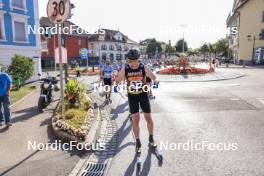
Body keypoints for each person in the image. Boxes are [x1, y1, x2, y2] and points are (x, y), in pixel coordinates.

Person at [115, 48, 159, 154]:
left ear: (138, 60)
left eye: (133, 62)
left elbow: (154, 77)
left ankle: (151, 138)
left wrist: (156, 82)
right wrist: (115, 84)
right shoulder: (125, 68)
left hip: (143, 95)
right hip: (132, 97)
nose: (131, 64)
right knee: (136, 119)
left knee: (148, 118)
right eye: (129, 61)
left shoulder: (143, 67)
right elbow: (118, 79)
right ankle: (138, 141)